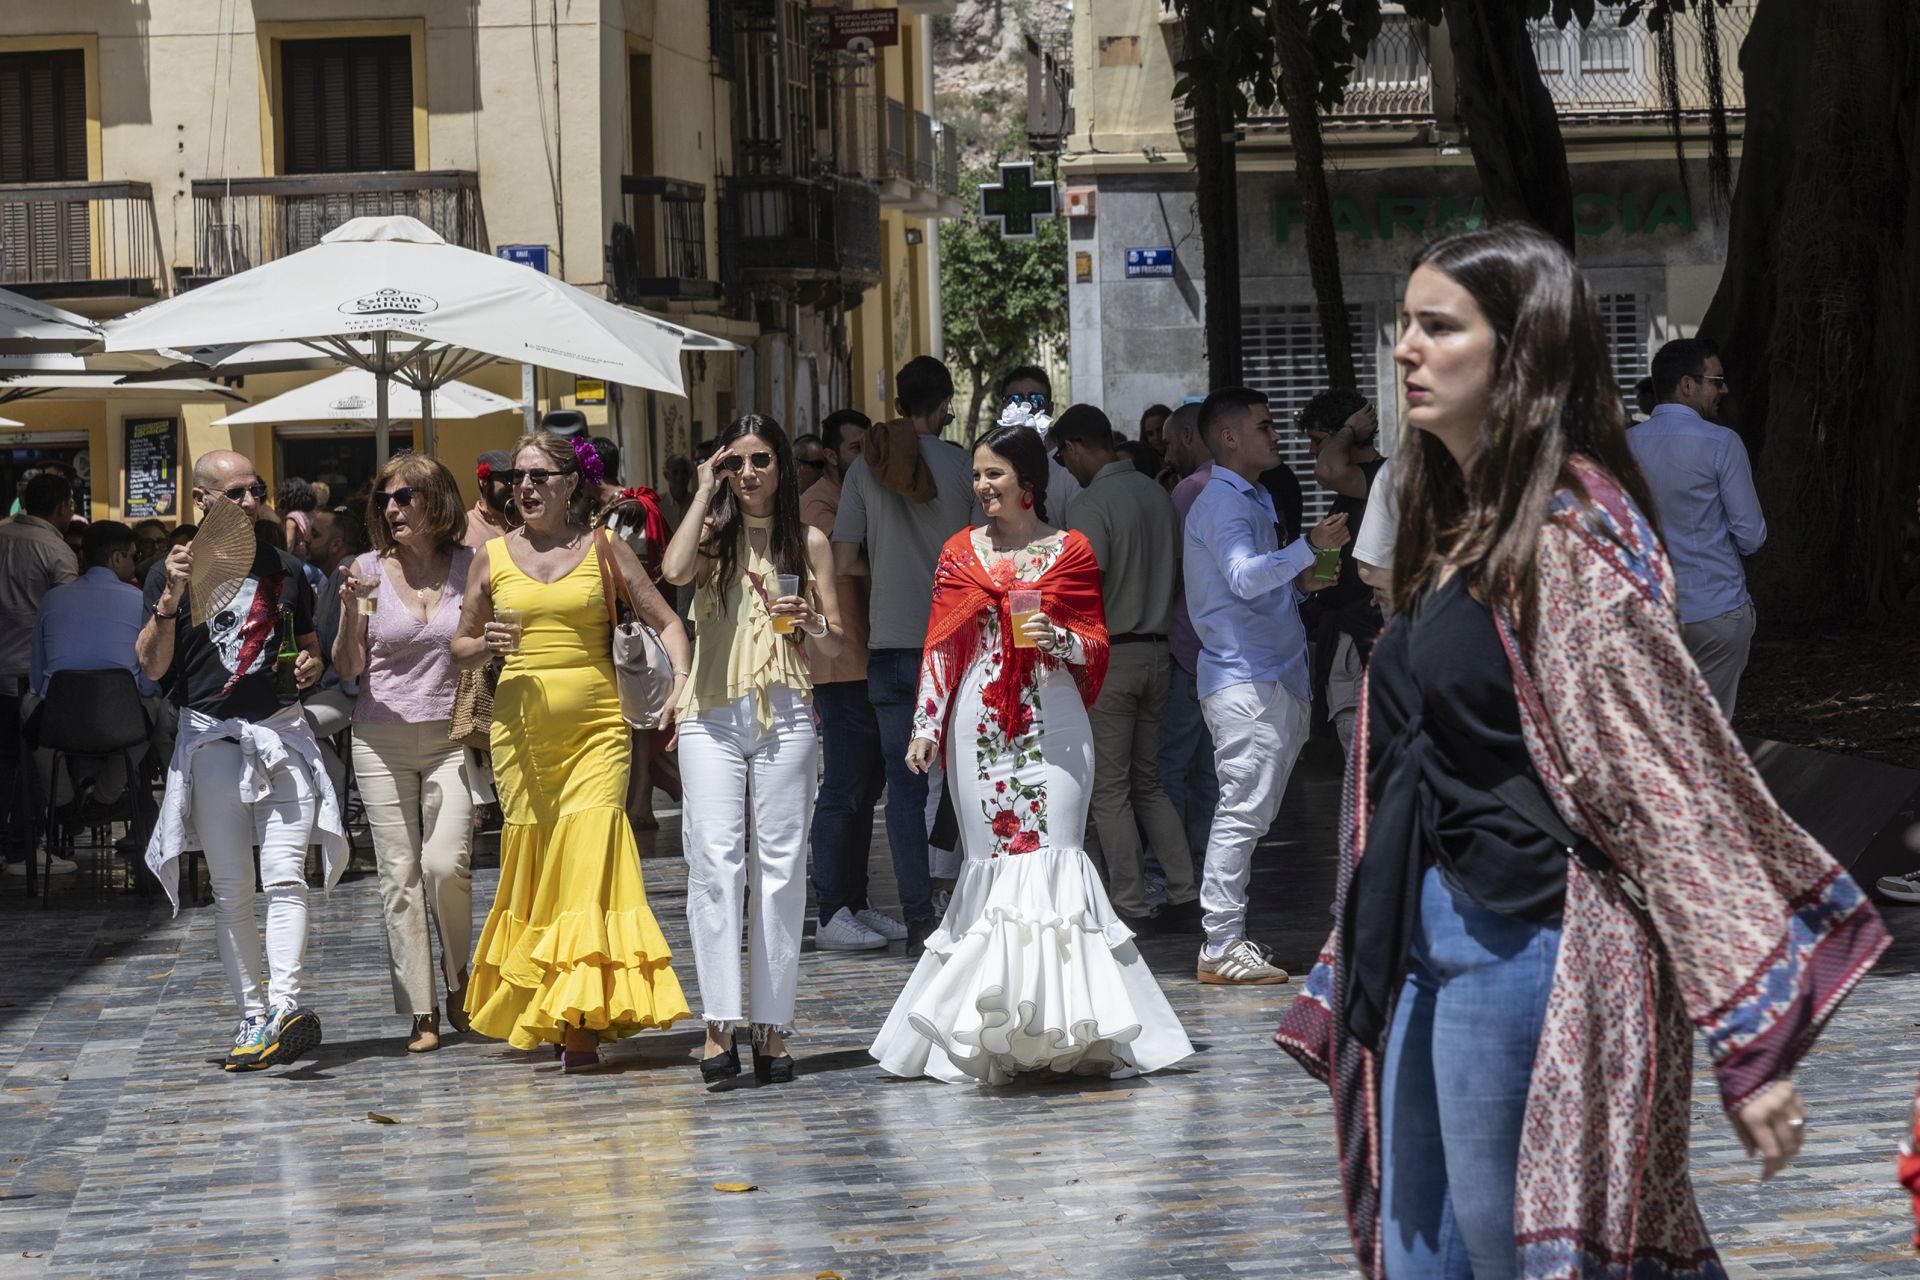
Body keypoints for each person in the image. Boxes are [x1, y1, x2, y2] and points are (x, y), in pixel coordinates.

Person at [1275, 221, 1888, 1280]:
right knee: (1420, 1262)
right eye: (1406, 324)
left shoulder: (1571, 534)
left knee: (1515, 1253)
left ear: (1521, 354)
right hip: (1417, 938)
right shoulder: (1450, 524)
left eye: (1439, 327)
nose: (1406, 348)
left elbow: (1669, 782)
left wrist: (1750, 1045)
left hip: (1529, 945)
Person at [871, 424, 1194, 1084]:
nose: (982, 486)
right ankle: (989, 1032)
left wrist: (1058, 638)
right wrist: (926, 724)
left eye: (993, 473)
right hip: (980, 726)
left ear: (1028, 481)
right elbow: (942, 647)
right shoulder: (959, 552)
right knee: (991, 869)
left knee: (1059, 860)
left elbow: (1095, 645)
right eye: (977, 475)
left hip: (1055, 723)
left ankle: (1073, 1029)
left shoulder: (1070, 551)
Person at [453, 433, 692, 1072]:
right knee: (543, 870)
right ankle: (555, 1007)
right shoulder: (490, 557)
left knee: (588, 858)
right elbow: (459, 647)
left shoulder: (605, 548)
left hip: (598, 732)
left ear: (572, 484)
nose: (525, 487)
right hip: (523, 737)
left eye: (539, 476)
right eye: (517, 477)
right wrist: (486, 644)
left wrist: (680, 684)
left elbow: (668, 620)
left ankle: (580, 1022)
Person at [139, 450, 342, 1071]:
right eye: (237, 493)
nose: (252, 502)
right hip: (213, 745)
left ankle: (283, 1009)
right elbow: (151, 666)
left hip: (281, 737)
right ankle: (252, 1013)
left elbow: (310, 650)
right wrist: (170, 597)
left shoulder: (286, 569)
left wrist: (311, 665)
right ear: (202, 500)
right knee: (232, 891)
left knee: (285, 877)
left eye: (257, 490)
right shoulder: (170, 572)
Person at [663, 415, 843, 1084]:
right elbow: (673, 569)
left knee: (782, 868)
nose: (747, 473)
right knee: (714, 864)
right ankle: (719, 1023)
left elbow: (836, 642)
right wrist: (702, 491)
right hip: (710, 711)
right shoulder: (712, 537)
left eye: (760, 460)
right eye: (734, 462)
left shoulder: (809, 541)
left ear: (781, 467)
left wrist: (814, 622)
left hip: (786, 709)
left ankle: (770, 1026)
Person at [1185, 388, 1349, 984]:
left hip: (1267, 676)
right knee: (1242, 813)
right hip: (1247, 680)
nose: (1276, 434)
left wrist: (1301, 582)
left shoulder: (1248, 497)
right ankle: (1220, 944)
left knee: (1250, 813)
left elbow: (1255, 587)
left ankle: (1228, 939)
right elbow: (1242, 577)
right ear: (1229, 437)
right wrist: (1309, 548)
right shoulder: (1223, 501)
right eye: (1264, 425)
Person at [832, 356, 984, 955]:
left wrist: (890, 568)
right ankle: (975, 904)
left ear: (897, 404)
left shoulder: (864, 468)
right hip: (958, 644)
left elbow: (844, 560)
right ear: (945, 404)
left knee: (904, 788)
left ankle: (918, 915)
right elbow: (985, 555)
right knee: (972, 776)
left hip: (892, 644)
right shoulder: (965, 467)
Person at [333, 455, 477, 1054]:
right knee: (399, 875)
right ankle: (422, 1007)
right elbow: (349, 668)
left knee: (445, 864)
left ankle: (461, 977)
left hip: (451, 734)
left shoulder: (471, 565)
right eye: (384, 499)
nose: (391, 508)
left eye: (404, 497)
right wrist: (350, 610)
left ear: (436, 501)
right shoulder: (365, 572)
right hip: (380, 737)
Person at [1051, 404, 1198, 929]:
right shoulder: (1158, 495)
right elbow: (1178, 573)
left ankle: (1131, 904)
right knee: (1149, 783)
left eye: (1063, 458)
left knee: (1110, 789)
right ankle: (1184, 892)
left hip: (1111, 656)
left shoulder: (1090, 503)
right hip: (1159, 651)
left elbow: (1087, 586)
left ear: (1073, 448)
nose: (1066, 468)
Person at [1626, 337, 1765, 717]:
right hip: (1715, 608)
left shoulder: (1624, 445)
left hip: (1648, 612)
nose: (1724, 390)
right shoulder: (1721, 442)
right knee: (1709, 732)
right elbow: (1751, 536)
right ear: (1687, 384)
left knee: (1659, 727)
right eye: (1716, 381)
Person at [803, 409, 901, 951]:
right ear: (830, 453)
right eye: (854, 448)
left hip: (867, 656)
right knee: (843, 790)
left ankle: (856, 902)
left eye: (869, 447)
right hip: (839, 664)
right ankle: (831, 910)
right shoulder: (819, 503)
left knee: (866, 789)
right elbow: (846, 561)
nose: (864, 457)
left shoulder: (857, 493)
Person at [26, 520, 163, 841]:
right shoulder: (138, 601)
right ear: (116, 558)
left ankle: (63, 802)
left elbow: (38, 679)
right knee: (153, 710)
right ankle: (104, 797)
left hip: (60, 722)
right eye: (132, 556)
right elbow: (147, 682)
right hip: (120, 723)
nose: (135, 563)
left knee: (28, 709)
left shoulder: (53, 599)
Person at [0, 473, 78, 876]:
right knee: (26, 765)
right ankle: (21, 849)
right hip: (31, 675)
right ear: (63, 507)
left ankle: (14, 846)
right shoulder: (56, 550)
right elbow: (67, 615)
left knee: (6, 762)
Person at [1302, 389, 1387, 752]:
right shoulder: (1349, 494)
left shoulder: (1382, 478)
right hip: (1342, 636)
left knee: (1365, 754)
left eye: (1318, 440)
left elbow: (1327, 470)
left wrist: (1349, 430)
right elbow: (1327, 570)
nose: (1313, 452)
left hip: (1363, 639)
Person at [1158, 402, 1220, 862]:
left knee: (1170, 768)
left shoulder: (1190, 489)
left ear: (1186, 436)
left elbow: (1175, 570)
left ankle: (1171, 867)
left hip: (1186, 646)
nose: (1165, 454)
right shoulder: (1239, 486)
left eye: (1167, 443)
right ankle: (1205, 862)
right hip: (1223, 651)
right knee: (1210, 772)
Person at [996, 365, 1081, 523]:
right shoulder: (991, 464)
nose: (1026, 408)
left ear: (1050, 408)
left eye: (1036, 400)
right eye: (1016, 400)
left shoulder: (1068, 468)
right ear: (1003, 408)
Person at [465, 451, 517, 549]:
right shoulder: (465, 528)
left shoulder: (527, 522)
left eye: (516, 478)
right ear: (483, 481)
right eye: (507, 478)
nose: (513, 485)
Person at [277, 477, 318, 564]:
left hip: (299, 563)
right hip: (314, 562)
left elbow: (288, 547)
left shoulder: (292, 519)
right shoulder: (313, 514)